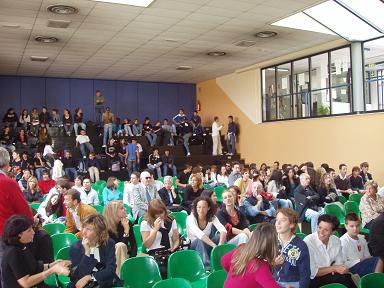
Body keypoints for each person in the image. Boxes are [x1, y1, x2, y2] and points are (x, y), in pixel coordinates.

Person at [2, 215, 70, 288]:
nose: (33, 232)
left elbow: (34, 266)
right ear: (19, 234)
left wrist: (52, 265)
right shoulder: (13, 252)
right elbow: (25, 283)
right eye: (29, 230)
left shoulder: (22, 245)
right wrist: (52, 270)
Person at [0, 147, 34, 285]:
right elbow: (25, 214)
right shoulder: (8, 183)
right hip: (6, 238)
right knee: (7, 277)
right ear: (7, 164)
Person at [68, 214, 121, 288]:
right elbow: (78, 275)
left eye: (89, 229)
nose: (84, 232)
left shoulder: (109, 243)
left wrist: (90, 277)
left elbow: (111, 269)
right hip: (82, 283)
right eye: (83, 227)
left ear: (99, 232)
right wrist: (87, 252)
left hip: (103, 280)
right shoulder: (75, 248)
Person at [304, 214, 356, 288]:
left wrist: (337, 268)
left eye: (326, 230)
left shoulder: (336, 241)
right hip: (312, 279)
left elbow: (339, 263)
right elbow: (313, 273)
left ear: (333, 232)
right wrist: (334, 268)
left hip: (330, 274)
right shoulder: (308, 241)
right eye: (319, 228)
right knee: (344, 279)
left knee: (346, 276)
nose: (321, 232)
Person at [221, 222, 280, 288]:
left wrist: (237, 272)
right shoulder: (260, 266)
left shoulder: (241, 248)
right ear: (272, 245)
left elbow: (224, 261)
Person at [140, 199, 180, 277]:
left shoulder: (171, 220)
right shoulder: (145, 223)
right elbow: (147, 245)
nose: (160, 216)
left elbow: (176, 239)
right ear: (152, 214)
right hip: (155, 253)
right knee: (163, 271)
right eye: (156, 214)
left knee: (179, 268)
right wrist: (155, 230)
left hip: (169, 251)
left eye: (161, 212)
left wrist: (174, 247)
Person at [274, 208, 311, 288]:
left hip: (293, 284)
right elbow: (261, 267)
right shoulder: (270, 242)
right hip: (272, 282)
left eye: (283, 220)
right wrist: (272, 263)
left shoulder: (301, 245)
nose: (278, 223)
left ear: (292, 224)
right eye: (277, 220)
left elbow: (305, 273)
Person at [186, 196, 226, 268]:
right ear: (195, 208)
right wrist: (214, 246)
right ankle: (207, 268)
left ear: (208, 208)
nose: (201, 210)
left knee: (220, 237)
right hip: (193, 247)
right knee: (199, 240)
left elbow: (223, 230)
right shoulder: (190, 218)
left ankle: (223, 261)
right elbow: (199, 234)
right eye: (199, 207)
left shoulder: (212, 217)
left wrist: (220, 244)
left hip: (206, 245)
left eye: (204, 207)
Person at [340, 212, 383, 277]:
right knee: (380, 260)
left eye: (357, 226)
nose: (355, 229)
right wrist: (359, 260)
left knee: (380, 259)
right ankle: (377, 281)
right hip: (351, 268)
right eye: (352, 226)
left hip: (363, 264)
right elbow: (342, 263)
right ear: (346, 226)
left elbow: (367, 256)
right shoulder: (342, 241)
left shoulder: (362, 239)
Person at [104, 201, 137, 276]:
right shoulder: (105, 227)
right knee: (120, 245)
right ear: (114, 212)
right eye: (122, 208)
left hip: (125, 255)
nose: (125, 209)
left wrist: (131, 260)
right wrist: (126, 231)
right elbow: (118, 247)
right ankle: (120, 278)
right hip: (110, 257)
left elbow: (134, 244)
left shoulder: (127, 223)